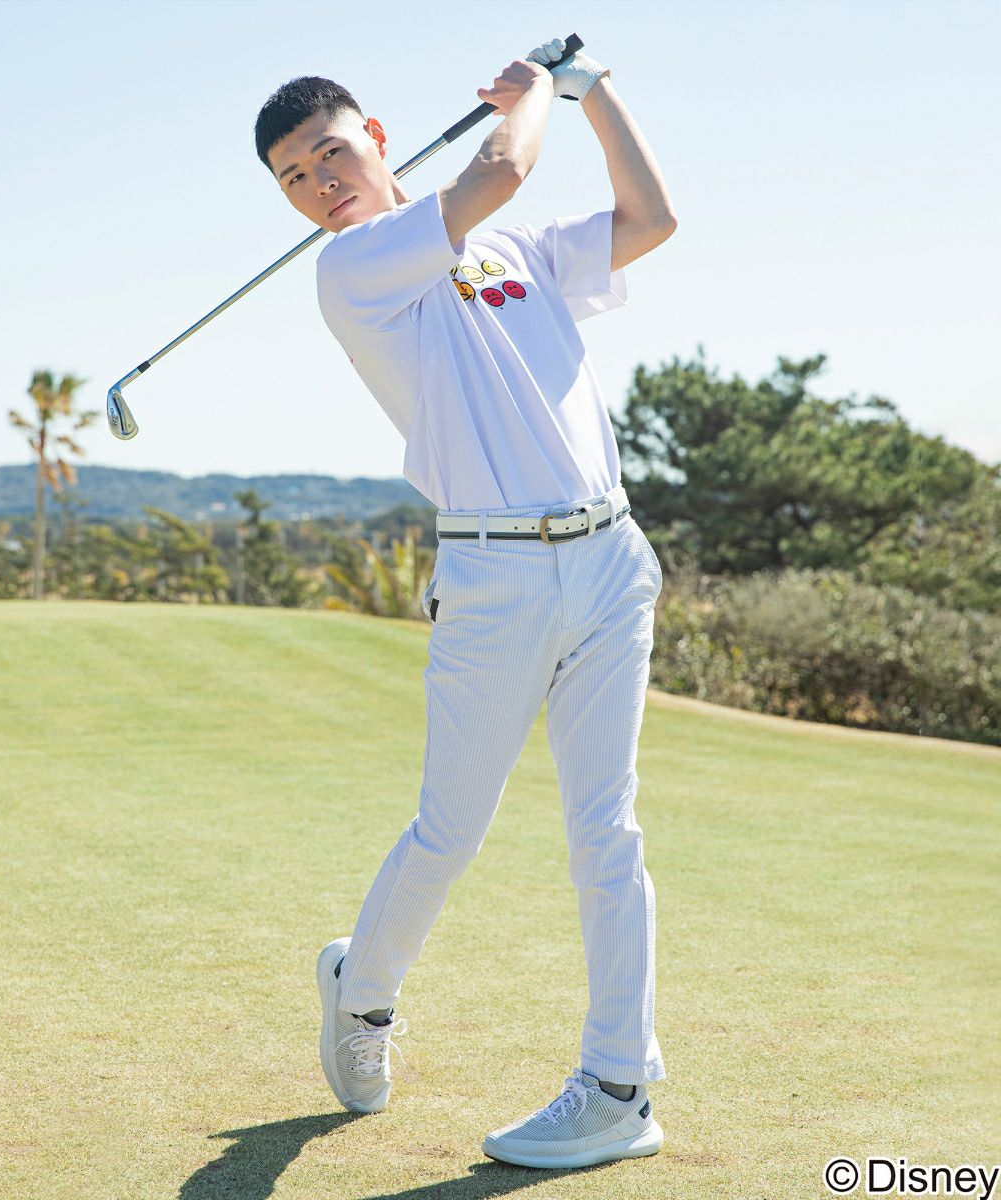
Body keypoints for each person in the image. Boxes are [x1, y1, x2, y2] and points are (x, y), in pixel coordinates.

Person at [255, 37, 678, 1170]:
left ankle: (620, 1087)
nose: (320, 183)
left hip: (609, 555)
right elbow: (500, 170)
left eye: (331, 153)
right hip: (494, 574)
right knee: (452, 828)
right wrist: (531, 98)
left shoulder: (515, 250)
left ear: (376, 138)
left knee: (609, 830)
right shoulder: (353, 267)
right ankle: (362, 993)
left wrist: (594, 94)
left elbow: (650, 220)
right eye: (295, 177)